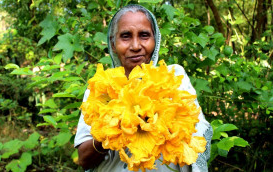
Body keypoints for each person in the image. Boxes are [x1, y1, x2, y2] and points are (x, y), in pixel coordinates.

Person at [74, 4, 213, 172]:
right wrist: (111, 131)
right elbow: (84, 159)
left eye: (144, 35)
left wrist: (161, 122)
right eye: (125, 36)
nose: (135, 45)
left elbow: (194, 134)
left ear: (156, 40)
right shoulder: (100, 88)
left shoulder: (174, 77)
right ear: (112, 44)